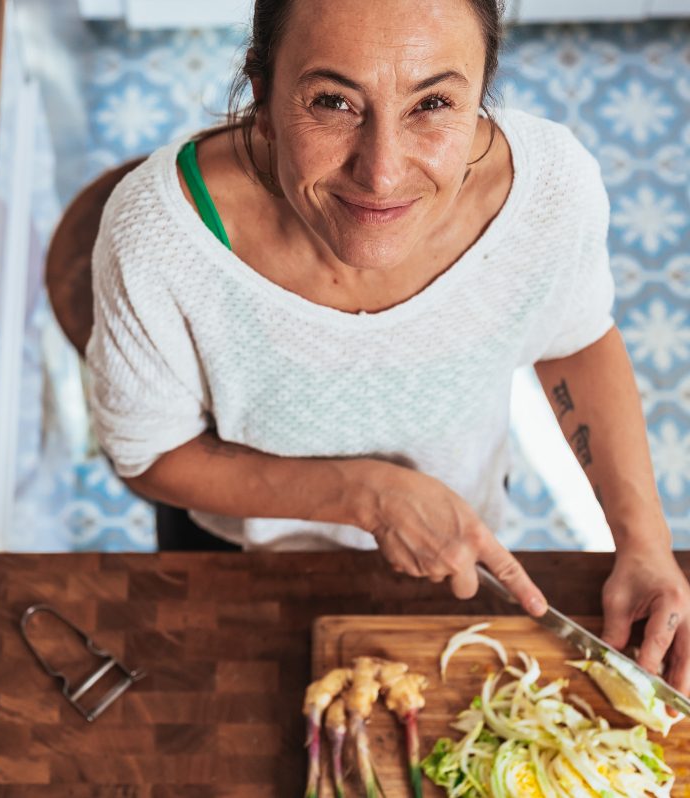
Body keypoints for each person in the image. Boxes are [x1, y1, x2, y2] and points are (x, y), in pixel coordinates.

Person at [82, 0, 690, 693]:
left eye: (432, 102)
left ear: (482, 90)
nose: (381, 174)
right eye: (334, 101)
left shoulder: (550, 190)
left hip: (459, 536)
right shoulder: (157, 236)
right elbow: (148, 456)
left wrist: (642, 540)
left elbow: (575, 339)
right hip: (242, 556)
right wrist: (368, 495)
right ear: (262, 90)